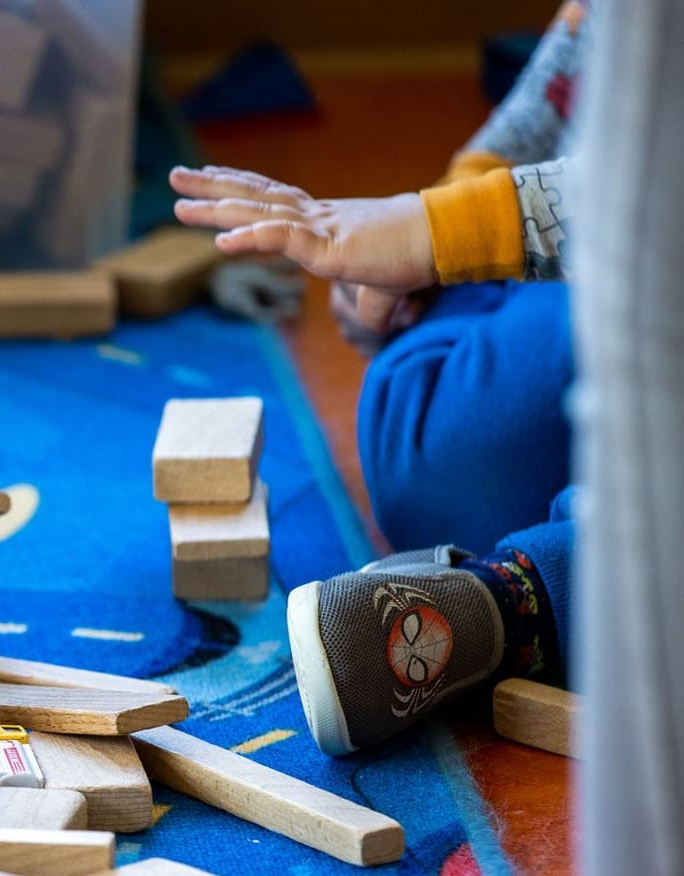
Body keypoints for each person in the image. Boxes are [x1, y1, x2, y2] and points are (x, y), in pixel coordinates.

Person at [168, 3, 587, 755]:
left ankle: (519, 602)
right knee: (431, 453)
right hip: (614, 257)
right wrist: (440, 246)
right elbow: (574, 76)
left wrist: (442, 235)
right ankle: (466, 307)